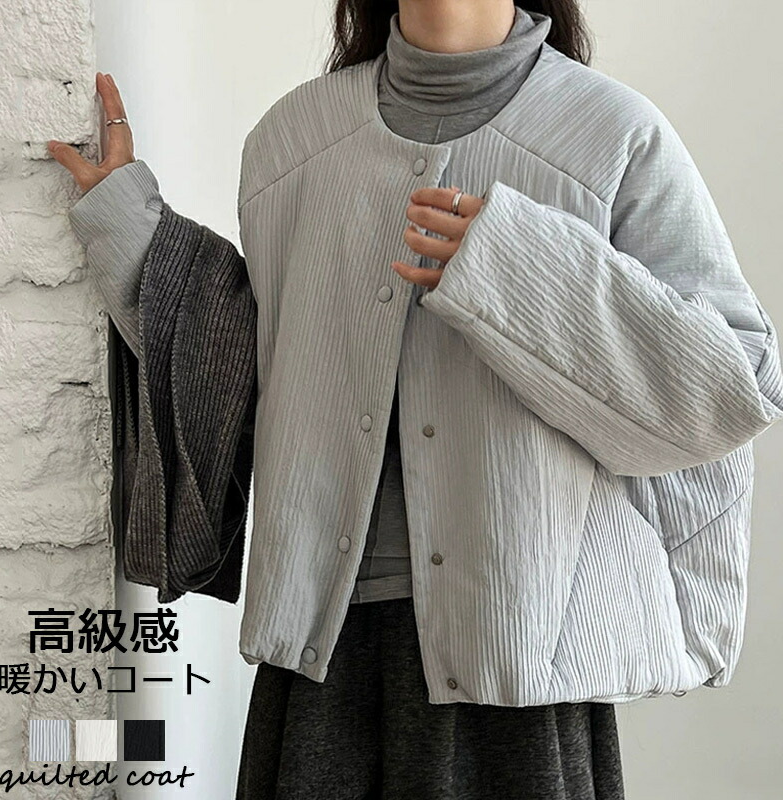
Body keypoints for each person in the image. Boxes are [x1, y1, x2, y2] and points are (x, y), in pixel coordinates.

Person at [48, 1, 783, 798]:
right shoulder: (291, 140)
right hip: (324, 655)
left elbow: (732, 385)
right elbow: (256, 364)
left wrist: (516, 267)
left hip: (520, 662)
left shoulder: (609, 134)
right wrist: (132, 229)